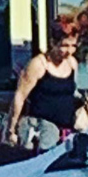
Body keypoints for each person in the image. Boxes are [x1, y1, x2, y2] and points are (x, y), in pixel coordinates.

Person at [7, 17, 80, 152]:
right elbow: (20, 96)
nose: (69, 51)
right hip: (41, 130)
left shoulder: (72, 63)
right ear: (53, 43)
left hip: (66, 130)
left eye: (73, 45)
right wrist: (11, 129)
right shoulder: (38, 64)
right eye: (64, 45)